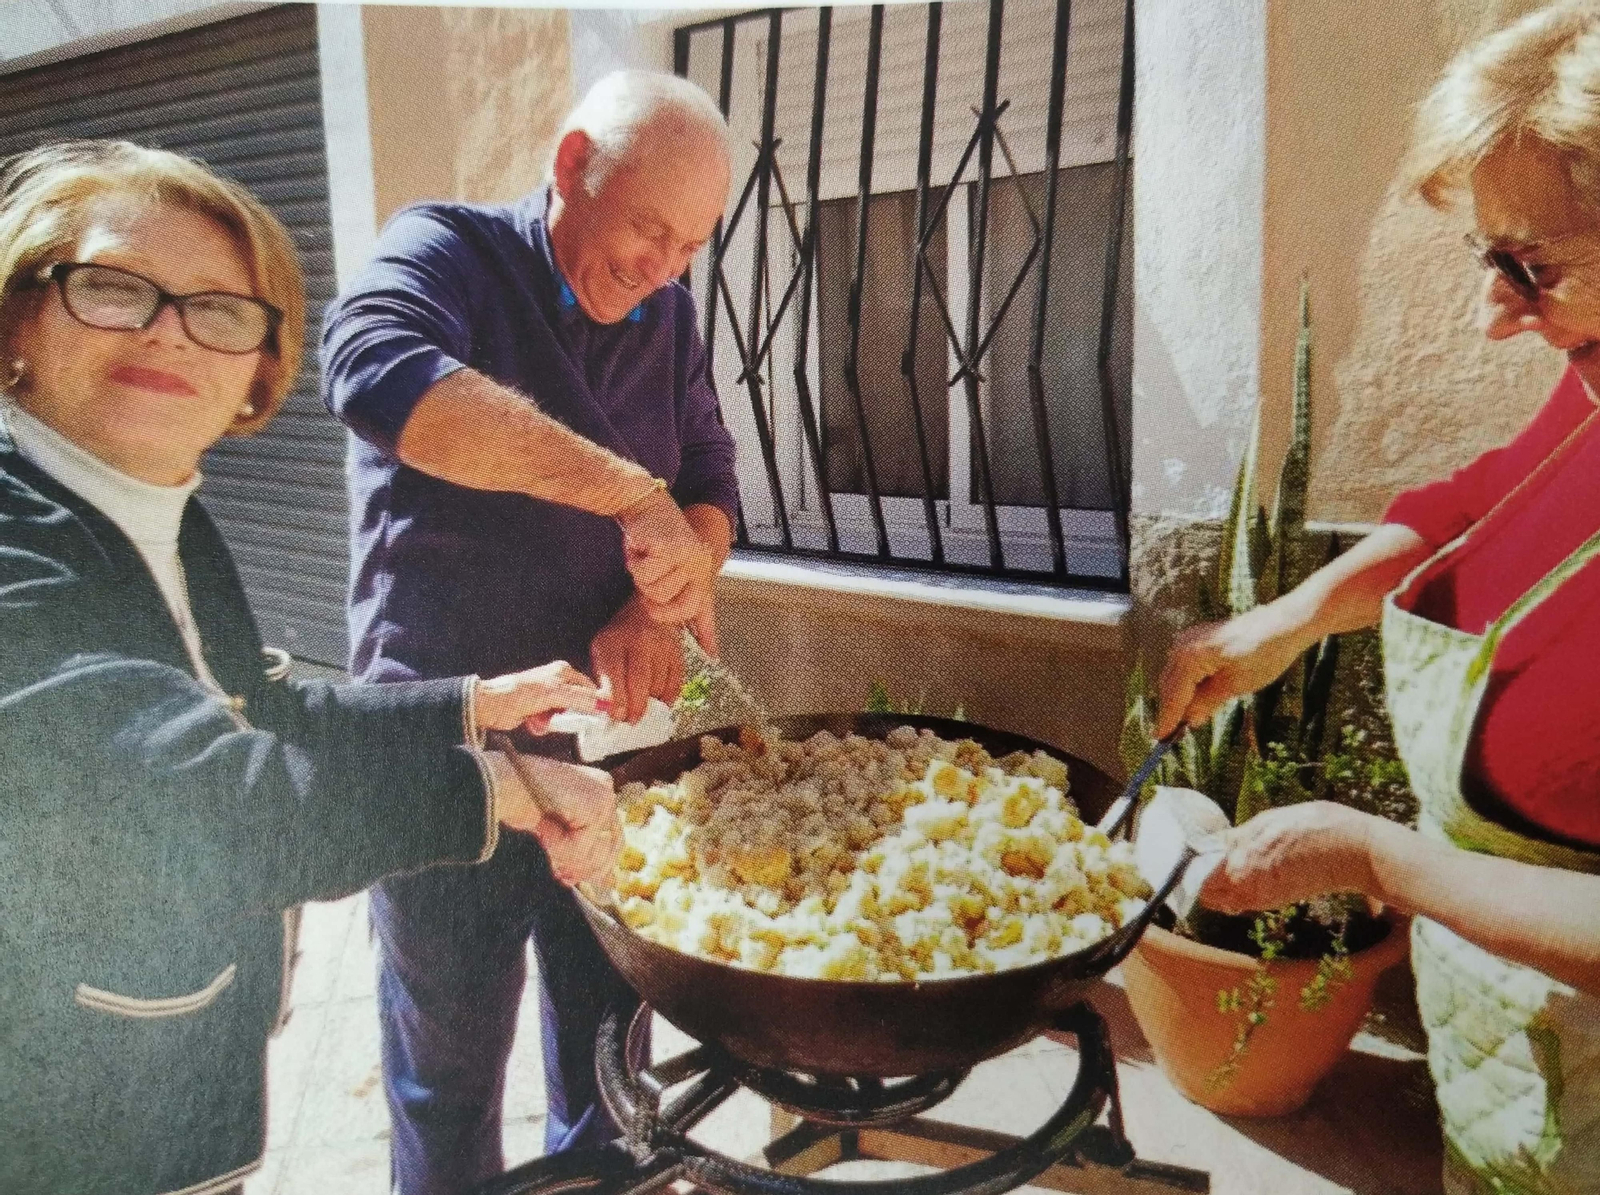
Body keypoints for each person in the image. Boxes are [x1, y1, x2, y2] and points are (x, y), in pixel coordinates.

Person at [0, 139, 622, 1195]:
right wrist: (502, 786)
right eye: (112, 288)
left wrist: (472, 705)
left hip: (168, 1099)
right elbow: (200, 804)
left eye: (219, 309)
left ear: (257, 368)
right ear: (18, 318)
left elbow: (255, 713)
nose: (169, 330)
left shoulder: (162, 518)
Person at [1156, 7, 1600, 1192]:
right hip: (1505, 1079)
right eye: (1485, 256)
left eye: (1533, 264)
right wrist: (1275, 625)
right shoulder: (1593, 386)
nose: (1492, 312)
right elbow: (1473, 508)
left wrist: (1376, 858)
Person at [320, 70, 739, 1193]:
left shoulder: (669, 312)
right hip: (446, 743)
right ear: (569, 169)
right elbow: (376, 376)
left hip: (607, 748)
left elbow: (708, 481)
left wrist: (655, 591)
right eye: (648, 226)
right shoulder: (445, 250)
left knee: (612, 1061)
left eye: (691, 244)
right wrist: (624, 495)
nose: (662, 266)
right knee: (445, 1077)